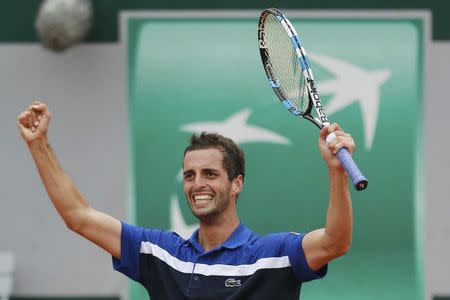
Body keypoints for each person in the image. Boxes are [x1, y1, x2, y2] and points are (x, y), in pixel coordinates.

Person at [18, 101, 354, 300]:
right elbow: (78, 216)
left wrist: (337, 172)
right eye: (190, 175)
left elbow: (335, 242)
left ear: (236, 184)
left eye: (210, 174)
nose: (197, 184)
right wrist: (39, 144)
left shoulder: (271, 255)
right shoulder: (161, 253)